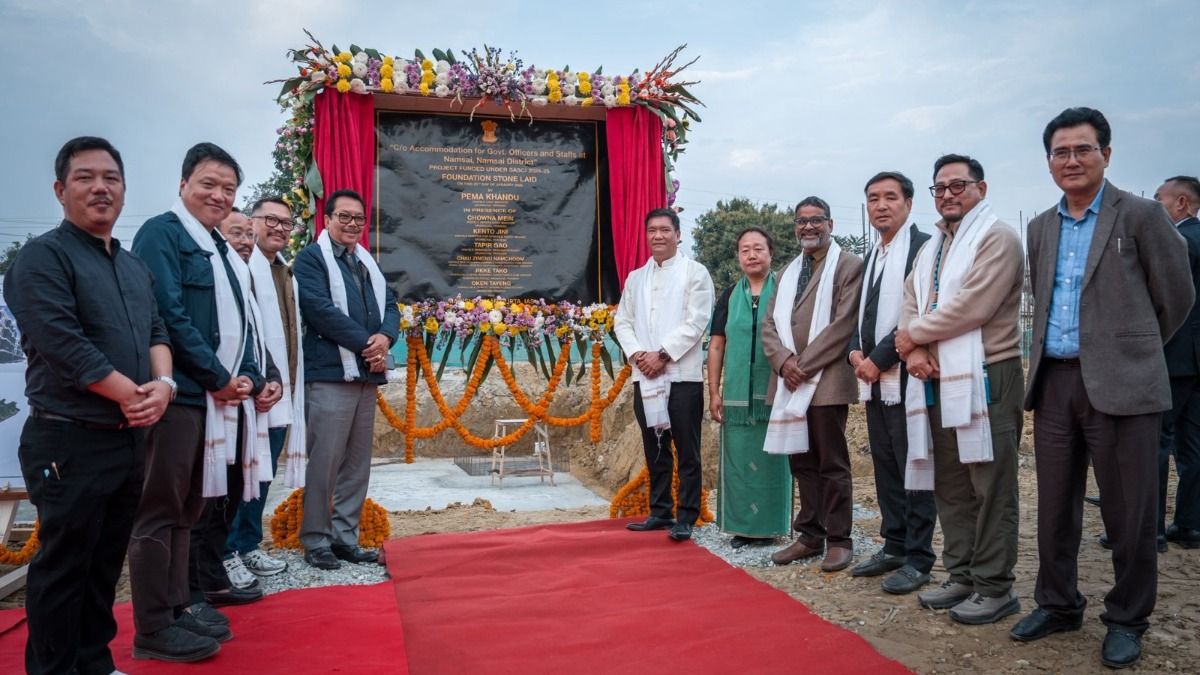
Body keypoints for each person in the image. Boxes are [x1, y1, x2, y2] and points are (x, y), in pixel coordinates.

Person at [1010, 108, 1193, 669]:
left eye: (1082, 149)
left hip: (1124, 386)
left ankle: (1127, 618)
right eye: (1060, 152)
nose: (1071, 160)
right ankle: (1059, 604)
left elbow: (1177, 297)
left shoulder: (1140, 216)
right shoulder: (1041, 225)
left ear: (1106, 155)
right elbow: (1042, 301)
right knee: (1055, 507)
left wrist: (1129, 349)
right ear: (1049, 163)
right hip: (1056, 382)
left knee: (1130, 510)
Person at [6, 136, 173, 675]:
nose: (100, 187)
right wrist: (132, 394)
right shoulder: (41, 259)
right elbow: (63, 344)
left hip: (129, 438)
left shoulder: (130, 266)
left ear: (123, 190)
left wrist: (163, 388)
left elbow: (156, 329)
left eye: (111, 178)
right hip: (69, 438)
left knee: (104, 564)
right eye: (85, 177)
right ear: (61, 189)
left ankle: (94, 663)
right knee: (64, 566)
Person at [129, 142, 268, 661]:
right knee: (160, 509)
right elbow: (165, 314)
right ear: (184, 184)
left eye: (228, 189)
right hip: (182, 396)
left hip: (214, 398)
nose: (218, 195)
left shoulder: (219, 247)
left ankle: (181, 603)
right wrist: (216, 377)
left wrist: (251, 376)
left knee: (190, 508)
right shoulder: (162, 235)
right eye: (208, 184)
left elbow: (245, 321)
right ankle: (152, 627)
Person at [895, 154, 1024, 625]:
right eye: (940, 187)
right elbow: (910, 300)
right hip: (935, 374)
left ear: (981, 189)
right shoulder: (931, 248)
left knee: (989, 483)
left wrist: (915, 336)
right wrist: (912, 352)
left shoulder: (998, 238)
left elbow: (975, 305)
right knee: (950, 481)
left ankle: (994, 585)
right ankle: (962, 572)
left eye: (958, 185)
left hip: (988, 372)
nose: (948, 194)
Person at [293, 188, 399, 569]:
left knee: (357, 463)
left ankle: (344, 538)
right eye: (345, 217)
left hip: (365, 376)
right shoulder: (310, 261)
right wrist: (367, 344)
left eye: (359, 218)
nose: (353, 224)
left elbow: (389, 304)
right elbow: (319, 310)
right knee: (325, 460)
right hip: (330, 374)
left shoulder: (365, 262)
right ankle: (317, 540)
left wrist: (385, 337)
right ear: (327, 218)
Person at [761, 196, 865, 573]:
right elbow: (769, 325)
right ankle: (809, 534)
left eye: (816, 220)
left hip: (825, 380)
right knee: (801, 460)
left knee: (831, 462)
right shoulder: (785, 273)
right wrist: (784, 363)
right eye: (801, 221)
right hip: (790, 380)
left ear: (830, 224)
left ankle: (839, 539)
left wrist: (801, 365)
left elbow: (843, 324)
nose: (808, 227)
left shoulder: (849, 266)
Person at [847, 172, 937, 594]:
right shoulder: (873, 257)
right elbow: (859, 317)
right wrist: (854, 353)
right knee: (885, 464)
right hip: (872, 379)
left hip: (906, 376)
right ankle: (894, 544)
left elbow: (913, 315)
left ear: (909, 202)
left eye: (889, 197)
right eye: (872, 199)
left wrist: (878, 359)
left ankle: (919, 556)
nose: (880, 206)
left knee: (914, 464)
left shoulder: (923, 249)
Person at [615, 207, 715, 542]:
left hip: (682, 376)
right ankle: (660, 511)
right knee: (654, 447)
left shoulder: (695, 273)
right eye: (652, 231)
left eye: (664, 230)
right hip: (645, 376)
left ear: (678, 234)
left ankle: (686, 516)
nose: (658, 236)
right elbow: (622, 321)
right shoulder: (635, 278)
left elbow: (697, 320)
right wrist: (638, 354)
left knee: (687, 450)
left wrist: (663, 354)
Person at [223, 197, 306, 582]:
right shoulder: (239, 267)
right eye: (270, 220)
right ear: (252, 222)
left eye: (287, 223)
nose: (280, 228)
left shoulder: (285, 272)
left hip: (280, 390)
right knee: (238, 479)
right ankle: (226, 553)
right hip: (244, 392)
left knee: (263, 476)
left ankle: (247, 546)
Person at [706, 227, 792, 547]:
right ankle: (742, 527)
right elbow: (717, 346)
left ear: (771, 254)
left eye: (758, 248)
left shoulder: (785, 291)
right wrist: (714, 391)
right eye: (745, 250)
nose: (752, 255)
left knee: (773, 459)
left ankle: (772, 525)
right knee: (739, 461)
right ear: (738, 257)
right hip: (737, 399)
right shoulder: (729, 295)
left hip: (776, 394)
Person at [1152, 176, 1200, 550]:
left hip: (1173, 358)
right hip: (1196, 362)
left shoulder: (1179, 243)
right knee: (1193, 447)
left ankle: (1148, 529)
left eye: (1159, 200)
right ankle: (1189, 524)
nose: (1154, 208)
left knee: (1155, 443)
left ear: (1181, 203)